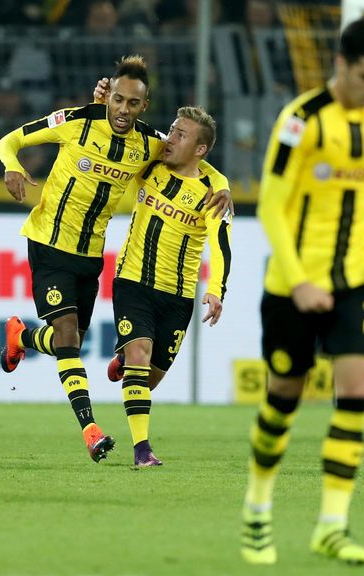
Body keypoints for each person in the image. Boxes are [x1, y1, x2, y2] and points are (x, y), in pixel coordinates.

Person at [0, 55, 231, 462]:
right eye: (117, 100)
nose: (123, 110)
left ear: (144, 106)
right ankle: (91, 431)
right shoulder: (77, 120)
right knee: (69, 337)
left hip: (90, 257)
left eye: (132, 103)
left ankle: (22, 337)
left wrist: (223, 186)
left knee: (71, 343)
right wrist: (11, 165)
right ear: (108, 96)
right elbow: (10, 140)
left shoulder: (150, 145)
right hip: (49, 243)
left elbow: (191, 154)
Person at [240, 18, 364, 566]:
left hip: (354, 281)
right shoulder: (299, 122)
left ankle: (332, 524)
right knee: (283, 398)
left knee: (355, 390)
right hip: (292, 286)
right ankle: (258, 510)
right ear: (340, 64)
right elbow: (271, 207)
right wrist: (300, 279)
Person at [109, 106, 231, 466]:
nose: (170, 138)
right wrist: (104, 101)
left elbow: (220, 244)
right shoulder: (149, 164)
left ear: (200, 150)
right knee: (139, 356)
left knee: (148, 381)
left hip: (177, 297)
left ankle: (125, 360)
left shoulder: (212, 192)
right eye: (172, 129)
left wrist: (216, 289)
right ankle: (142, 450)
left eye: (181, 134)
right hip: (132, 281)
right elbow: (121, 128)